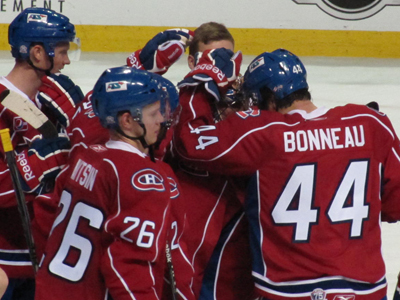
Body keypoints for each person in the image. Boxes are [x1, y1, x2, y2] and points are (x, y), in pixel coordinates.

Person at [173, 48, 400, 300]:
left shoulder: (262, 132)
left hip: (286, 292)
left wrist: (199, 85)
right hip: (367, 292)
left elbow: (189, 143)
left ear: (269, 98)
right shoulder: (370, 123)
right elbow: (393, 206)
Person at [34, 66, 192, 300]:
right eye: (153, 113)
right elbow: (129, 266)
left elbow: (46, 214)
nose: (161, 119)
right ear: (127, 120)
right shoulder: (142, 179)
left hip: (50, 290)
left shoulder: (85, 156)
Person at [163, 22, 255, 300]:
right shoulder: (172, 104)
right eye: (213, 60)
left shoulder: (249, 105)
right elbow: (181, 146)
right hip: (192, 228)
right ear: (193, 62)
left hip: (237, 232)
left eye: (227, 59)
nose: (222, 69)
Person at [0, 7, 81, 300]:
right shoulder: (1, 103)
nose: (67, 60)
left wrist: (82, 122)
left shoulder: (49, 102)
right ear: (37, 53)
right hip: (6, 263)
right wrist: (33, 166)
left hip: (46, 254)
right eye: (61, 50)